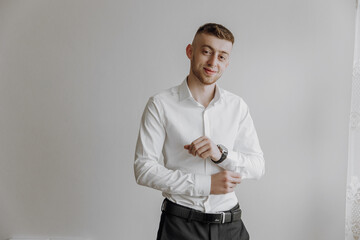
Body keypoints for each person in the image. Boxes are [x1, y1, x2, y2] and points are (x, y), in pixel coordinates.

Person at [134, 23, 265, 240]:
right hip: (180, 227)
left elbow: (258, 167)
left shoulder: (237, 106)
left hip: (231, 227)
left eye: (222, 56)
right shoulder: (160, 105)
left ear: (227, 62)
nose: (213, 62)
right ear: (190, 51)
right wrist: (205, 185)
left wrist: (221, 155)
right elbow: (143, 168)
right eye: (206, 51)